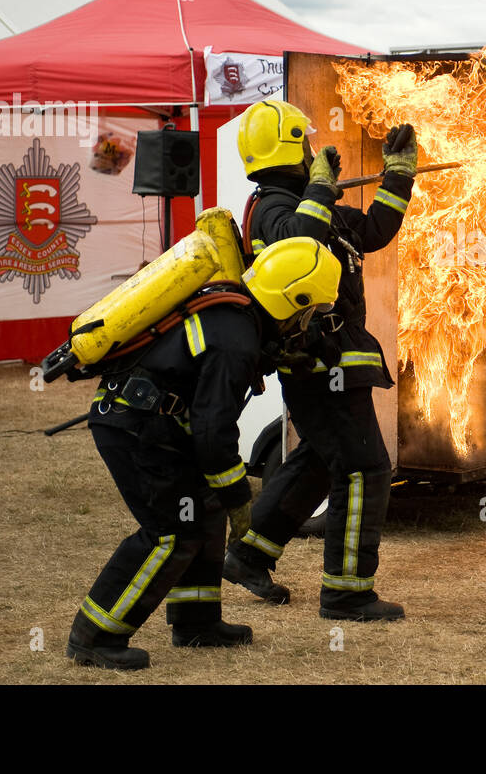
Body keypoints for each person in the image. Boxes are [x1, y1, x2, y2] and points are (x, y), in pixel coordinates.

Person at [67, 237, 342, 670]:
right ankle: (95, 634)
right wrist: (240, 503)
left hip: (152, 423)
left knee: (202, 512)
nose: (307, 323)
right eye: (309, 311)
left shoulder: (235, 316)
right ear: (292, 299)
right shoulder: (236, 339)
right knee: (171, 531)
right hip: (136, 429)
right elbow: (214, 435)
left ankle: (197, 622)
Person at [223, 99, 416, 622]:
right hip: (315, 364)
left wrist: (398, 177)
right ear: (290, 148)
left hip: (335, 360)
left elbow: (373, 231)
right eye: (305, 144)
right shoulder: (272, 209)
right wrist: (321, 190)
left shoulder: (311, 202)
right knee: (365, 467)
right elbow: (299, 243)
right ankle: (347, 593)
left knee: (318, 461)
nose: (314, 152)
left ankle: (248, 554)